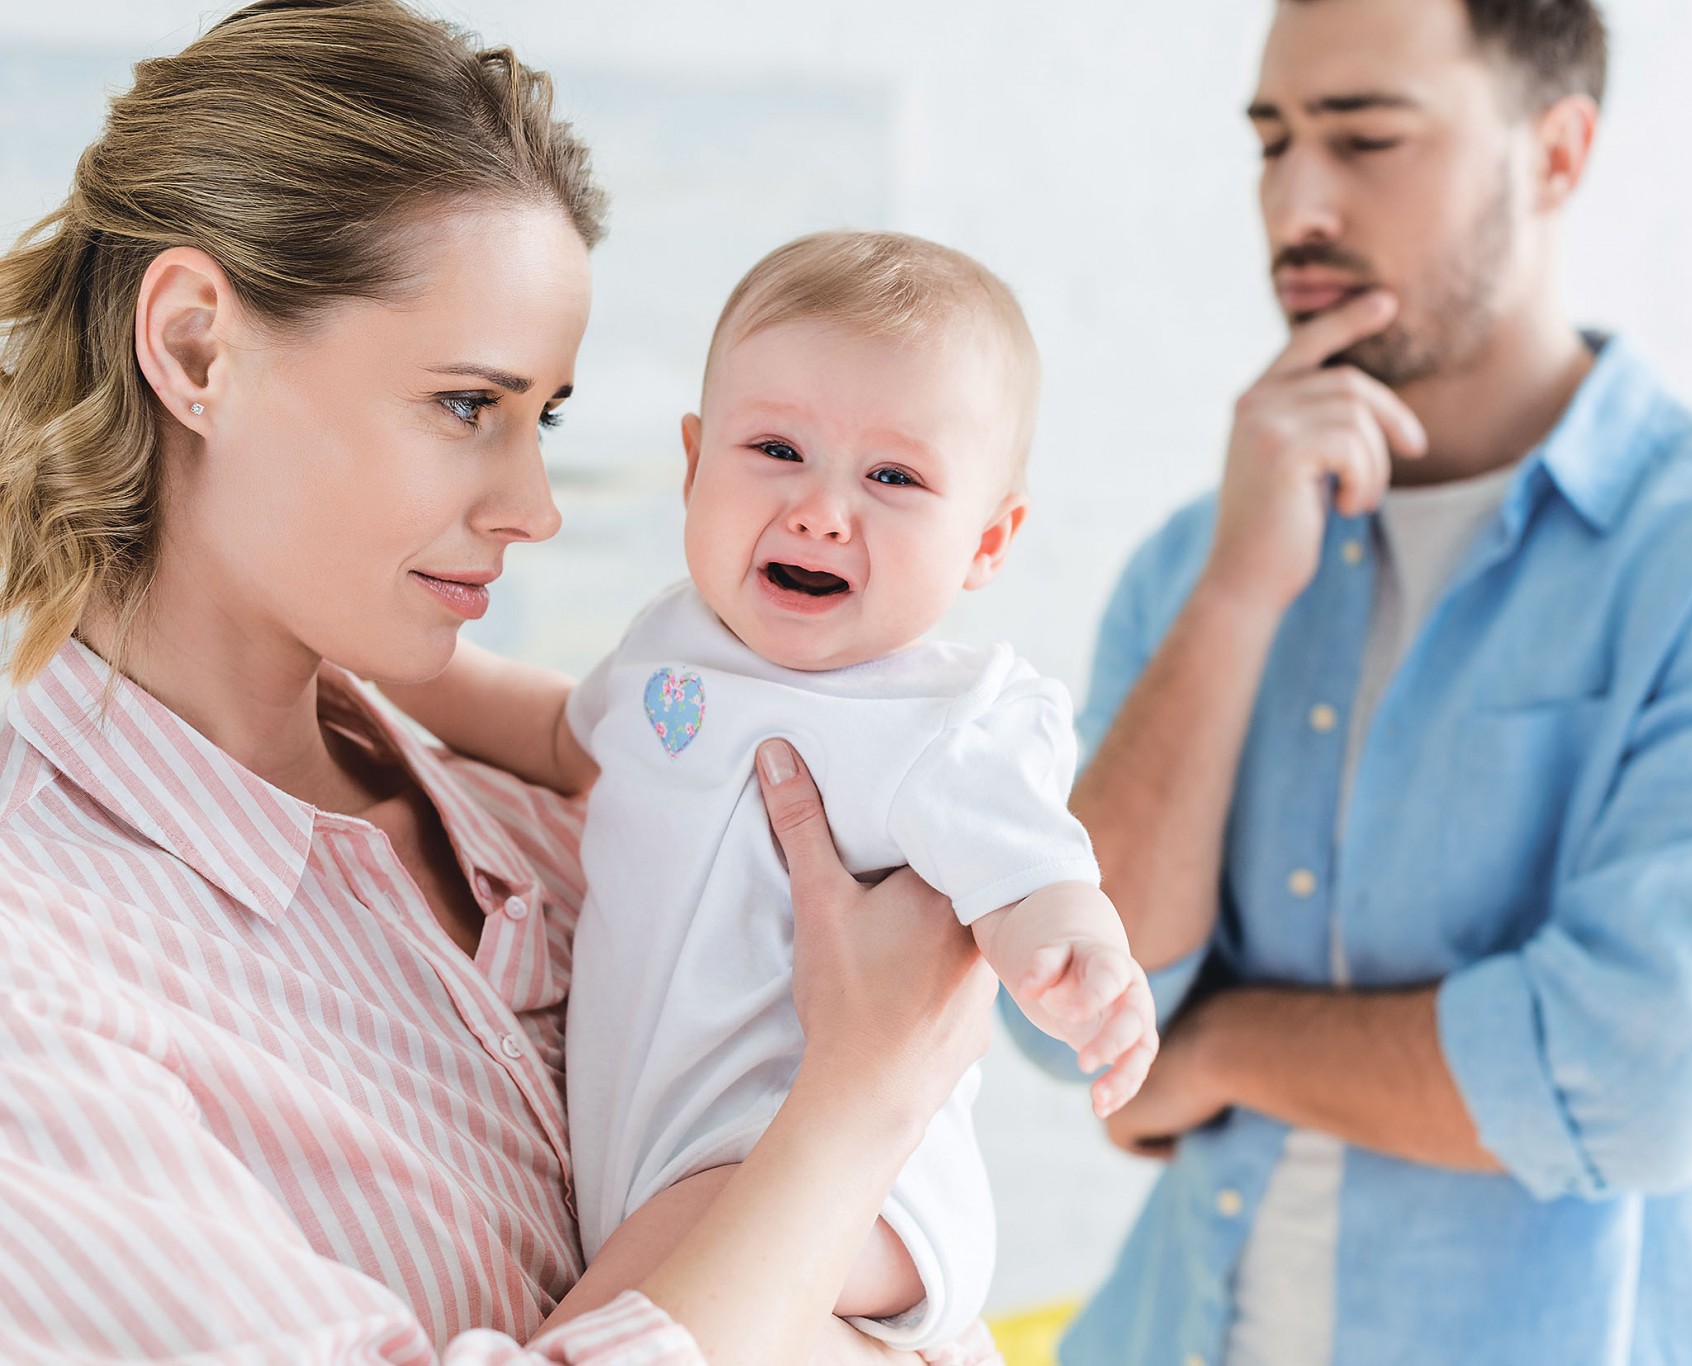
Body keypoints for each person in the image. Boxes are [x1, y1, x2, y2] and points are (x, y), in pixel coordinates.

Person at [0, 3, 997, 1362]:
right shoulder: (38, 969)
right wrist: (859, 1099)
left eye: (546, 416)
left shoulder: (571, 828)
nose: (535, 506)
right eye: (467, 404)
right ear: (192, 349)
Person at [1003, 0, 1692, 1361]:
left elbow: (1636, 1081)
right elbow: (1066, 1027)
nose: (1296, 204)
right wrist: (1237, 596)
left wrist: (1219, 1046)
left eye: (1365, 138)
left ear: (1555, 152)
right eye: (1272, 141)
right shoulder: (1194, 560)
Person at [380, 229, 1159, 1351]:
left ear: (987, 540)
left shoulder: (949, 720)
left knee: (609, 1326)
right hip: (666, 1159)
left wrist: (1076, 958)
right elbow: (558, 736)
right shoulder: (671, 645)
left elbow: (1036, 874)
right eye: (777, 449)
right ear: (694, 465)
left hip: (821, 1172)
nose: (821, 510)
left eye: (893, 477)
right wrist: (389, 663)